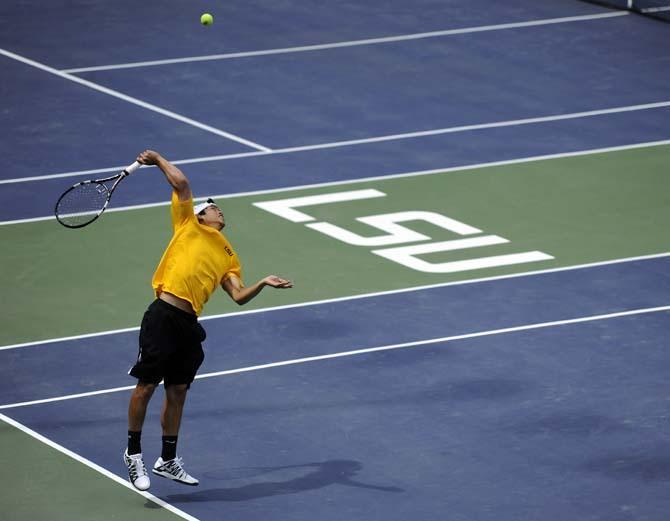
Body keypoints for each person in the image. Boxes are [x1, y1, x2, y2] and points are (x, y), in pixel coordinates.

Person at [123, 150, 292, 491]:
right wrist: (156, 159)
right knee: (146, 387)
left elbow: (239, 296)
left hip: (188, 325)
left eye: (218, 208)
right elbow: (182, 183)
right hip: (163, 315)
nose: (219, 210)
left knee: (178, 390)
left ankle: (167, 459)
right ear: (201, 216)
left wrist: (261, 283)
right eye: (213, 207)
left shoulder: (228, 253)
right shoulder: (187, 224)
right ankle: (133, 452)